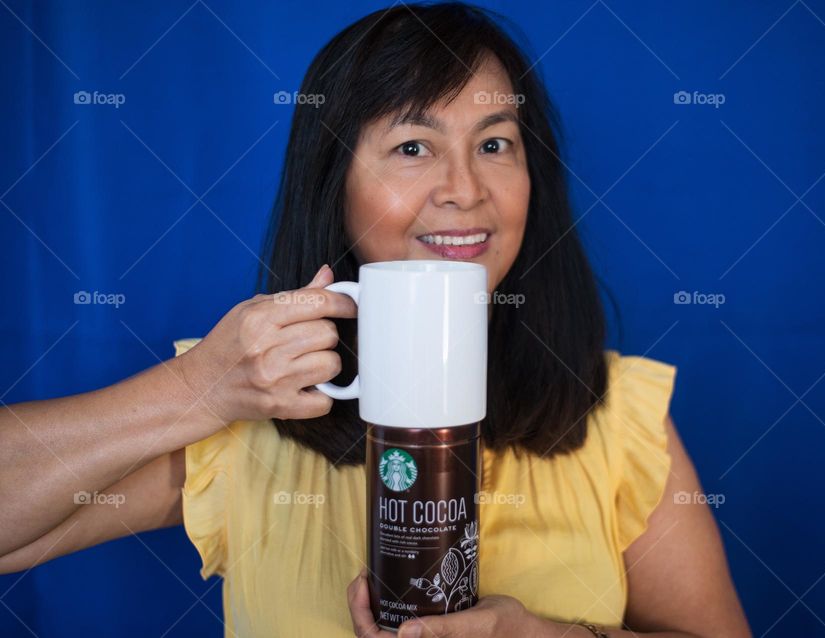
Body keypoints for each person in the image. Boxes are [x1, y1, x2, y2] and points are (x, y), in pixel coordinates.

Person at [0, 3, 751, 637]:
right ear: (336, 191)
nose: (464, 189)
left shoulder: (616, 414)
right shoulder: (245, 414)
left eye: (495, 144)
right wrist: (197, 390)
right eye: (412, 146)